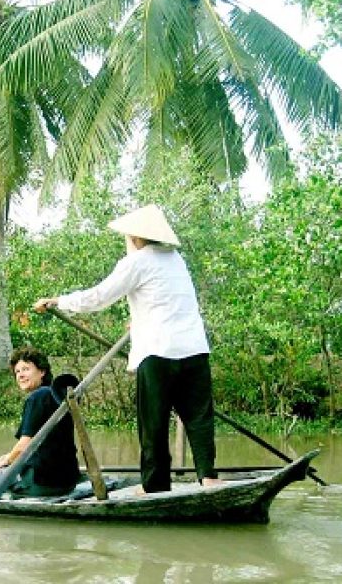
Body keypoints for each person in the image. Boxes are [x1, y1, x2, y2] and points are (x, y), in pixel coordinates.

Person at [34, 204, 222, 493]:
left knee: (153, 423)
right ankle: (208, 478)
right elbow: (167, 301)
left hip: (158, 353)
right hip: (194, 348)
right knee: (199, 418)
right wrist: (138, 322)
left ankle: (155, 485)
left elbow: (97, 298)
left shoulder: (137, 262)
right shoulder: (176, 259)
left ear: (135, 238)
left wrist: (58, 301)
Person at [0, 346, 81, 497]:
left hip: (41, 484)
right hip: (67, 483)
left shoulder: (37, 397)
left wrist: (5, 461)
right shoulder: (57, 398)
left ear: (42, 372)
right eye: (17, 371)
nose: (21, 375)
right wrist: (5, 458)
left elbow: (24, 447)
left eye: (26, 369)